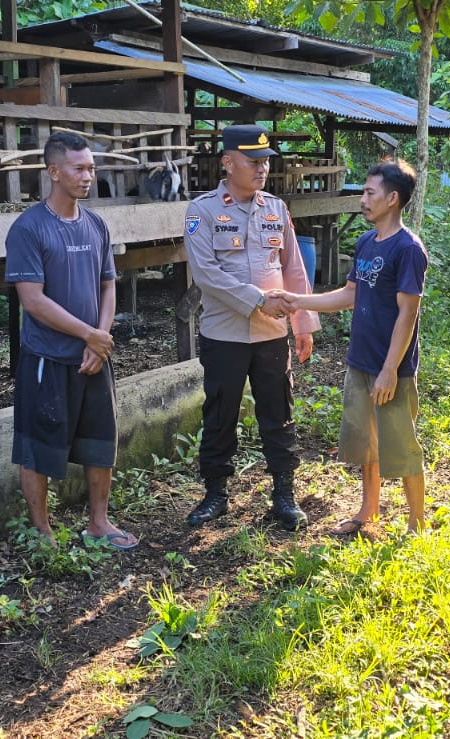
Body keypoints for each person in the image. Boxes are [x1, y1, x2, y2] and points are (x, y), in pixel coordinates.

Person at [277, 159, 428, 535]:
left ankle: (417, 524)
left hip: (390, 367)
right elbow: (348, 295)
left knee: (401, 446)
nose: (362, 199)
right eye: (363, 192)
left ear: (392, 199)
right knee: (366, 445)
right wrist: (297, 300)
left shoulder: (408, 249)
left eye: (369, 193)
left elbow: (408, 313)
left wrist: (391, 369)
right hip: (360, 362)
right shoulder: (364, 243)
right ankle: (368, 512)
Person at [182, 125, 320, 530]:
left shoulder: (275, 208)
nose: (262, 168)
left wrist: (304, 324)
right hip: (224, 334)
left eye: (265, 161)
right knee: (220, 413)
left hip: (272, 336)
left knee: (278, 411)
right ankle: (215, 493)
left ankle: (284, 492)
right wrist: (259, 300)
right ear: (227, 162)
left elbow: (293, 268)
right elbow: (206, 274)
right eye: (253, 161)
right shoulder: (202, 211)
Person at [4, 132, 137, 550]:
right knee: (38, 447)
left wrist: (100, 340)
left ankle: (99, 522)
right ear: (54, 172)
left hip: (93, 356)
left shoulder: (96, 224)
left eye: (91, 168)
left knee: (100, 442)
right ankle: (43, 533)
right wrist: (89, 335)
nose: (88, 176)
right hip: (48, 357)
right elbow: (32, 300)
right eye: (79, 168)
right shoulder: (28, 228)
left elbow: (108, 286)